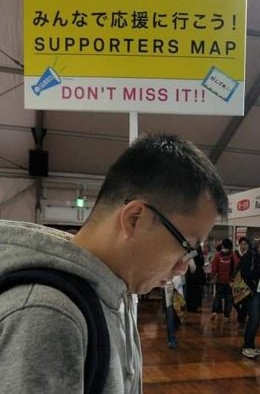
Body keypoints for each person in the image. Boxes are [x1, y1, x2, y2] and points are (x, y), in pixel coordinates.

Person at [0, 134, 228, 393]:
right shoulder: (49, 314)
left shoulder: (115, 288)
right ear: (135, 218)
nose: (182, 267)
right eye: (186, 247)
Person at [239, 237, 260, 358]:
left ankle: (251, 346)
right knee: (253, 319)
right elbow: (246, 274)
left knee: (257, 320)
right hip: (250, 293)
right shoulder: (249, 256)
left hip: (259, 292)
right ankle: (247, 347)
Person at [210, 237, 234, 320]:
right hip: (229, 281)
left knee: (217, 297)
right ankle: (226, 315)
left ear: (222, 245)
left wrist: (212, 277)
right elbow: (235, 268)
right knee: (228, 298)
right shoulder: (232, 255)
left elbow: (214, 268)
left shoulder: (217, 255)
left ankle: (214, 311)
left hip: (220, 280)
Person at [233, 236, 250, 324]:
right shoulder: (235, 254)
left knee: (245, 301)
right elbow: (232, 267)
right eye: (241, 244)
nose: (243, 246)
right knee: (234, 300)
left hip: (247, 281)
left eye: (245, 244)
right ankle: (241, 314)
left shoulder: (250, 255)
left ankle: (242, 318)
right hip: (237, 280)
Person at [185, 244, 205, 312]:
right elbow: (202, 263)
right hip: (199, 275)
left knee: (191, 291)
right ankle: (197, 306)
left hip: (192, 275)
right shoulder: (200, 253)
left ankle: (191, 307)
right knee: (197, 291)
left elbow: (186, 259)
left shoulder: (192, 252)